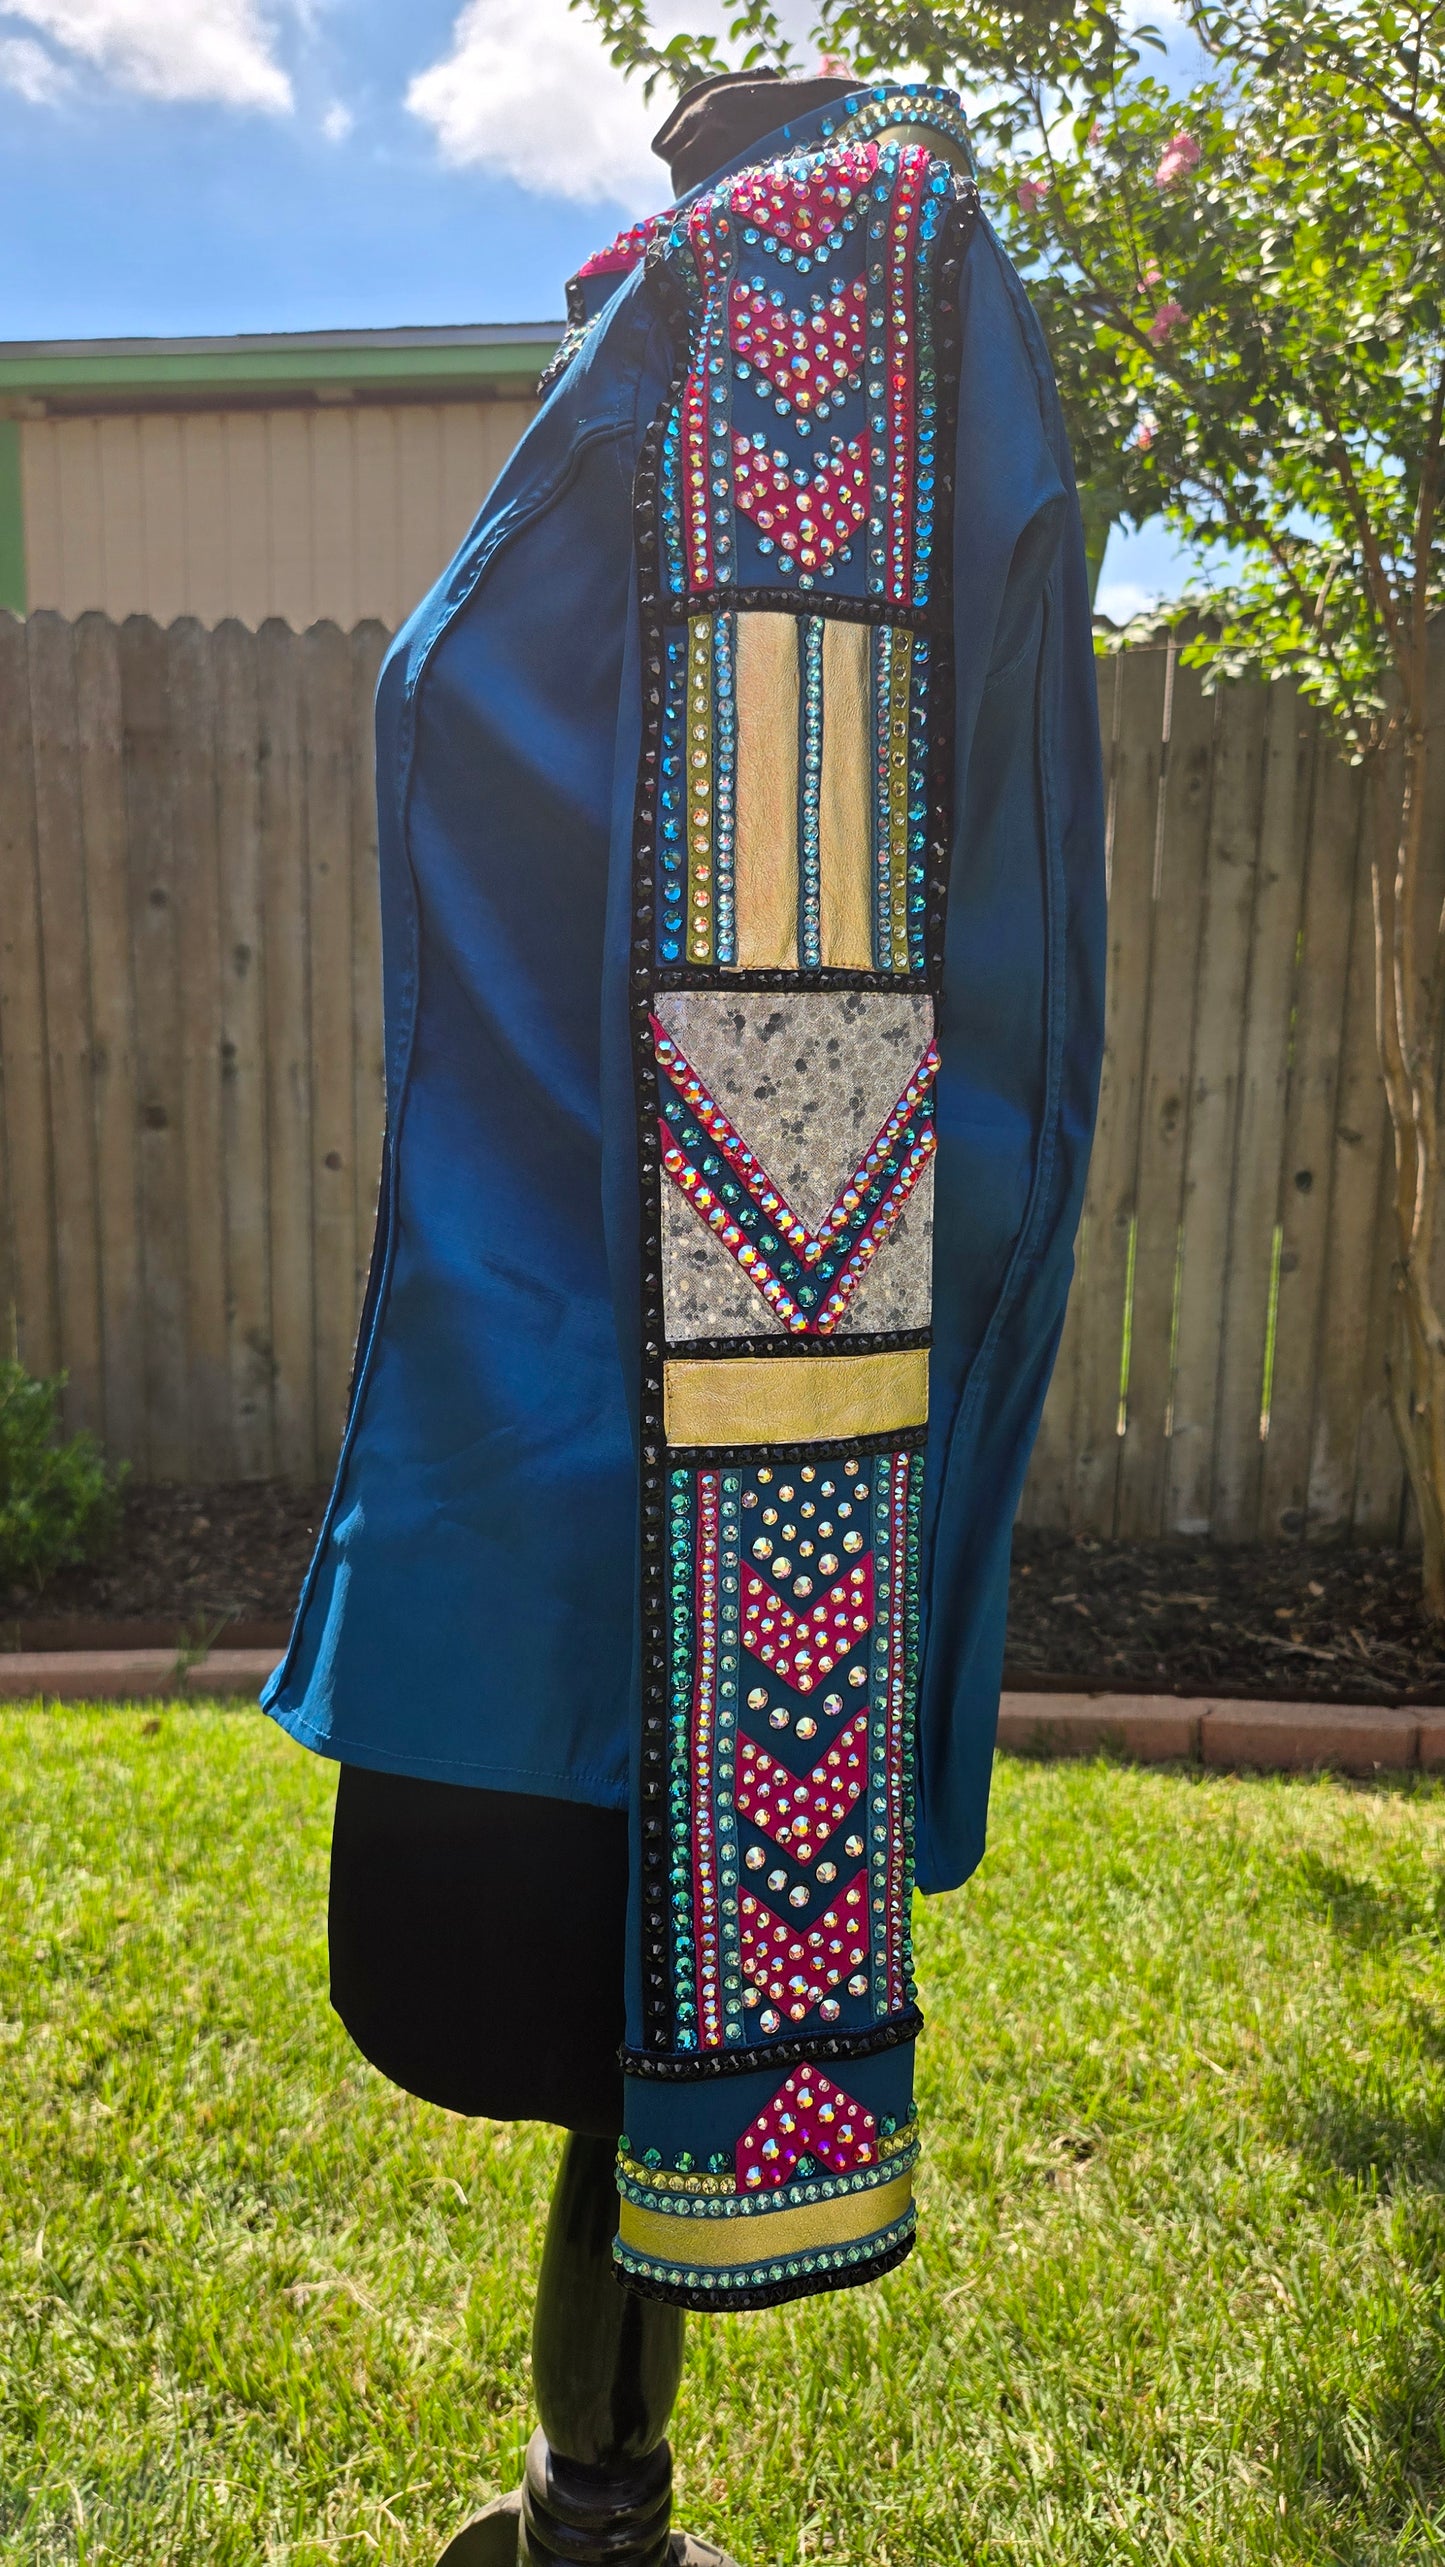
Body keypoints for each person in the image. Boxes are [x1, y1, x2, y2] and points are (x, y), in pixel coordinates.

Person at [263, 63, 1106, 2567]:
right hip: (547, 1424)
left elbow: (1002, 936)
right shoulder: (648, 348)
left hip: (754, 1424)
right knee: (560, 2014)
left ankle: (602, 2501)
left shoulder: (869, 295)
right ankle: (588, 2499)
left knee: (617, 2018)